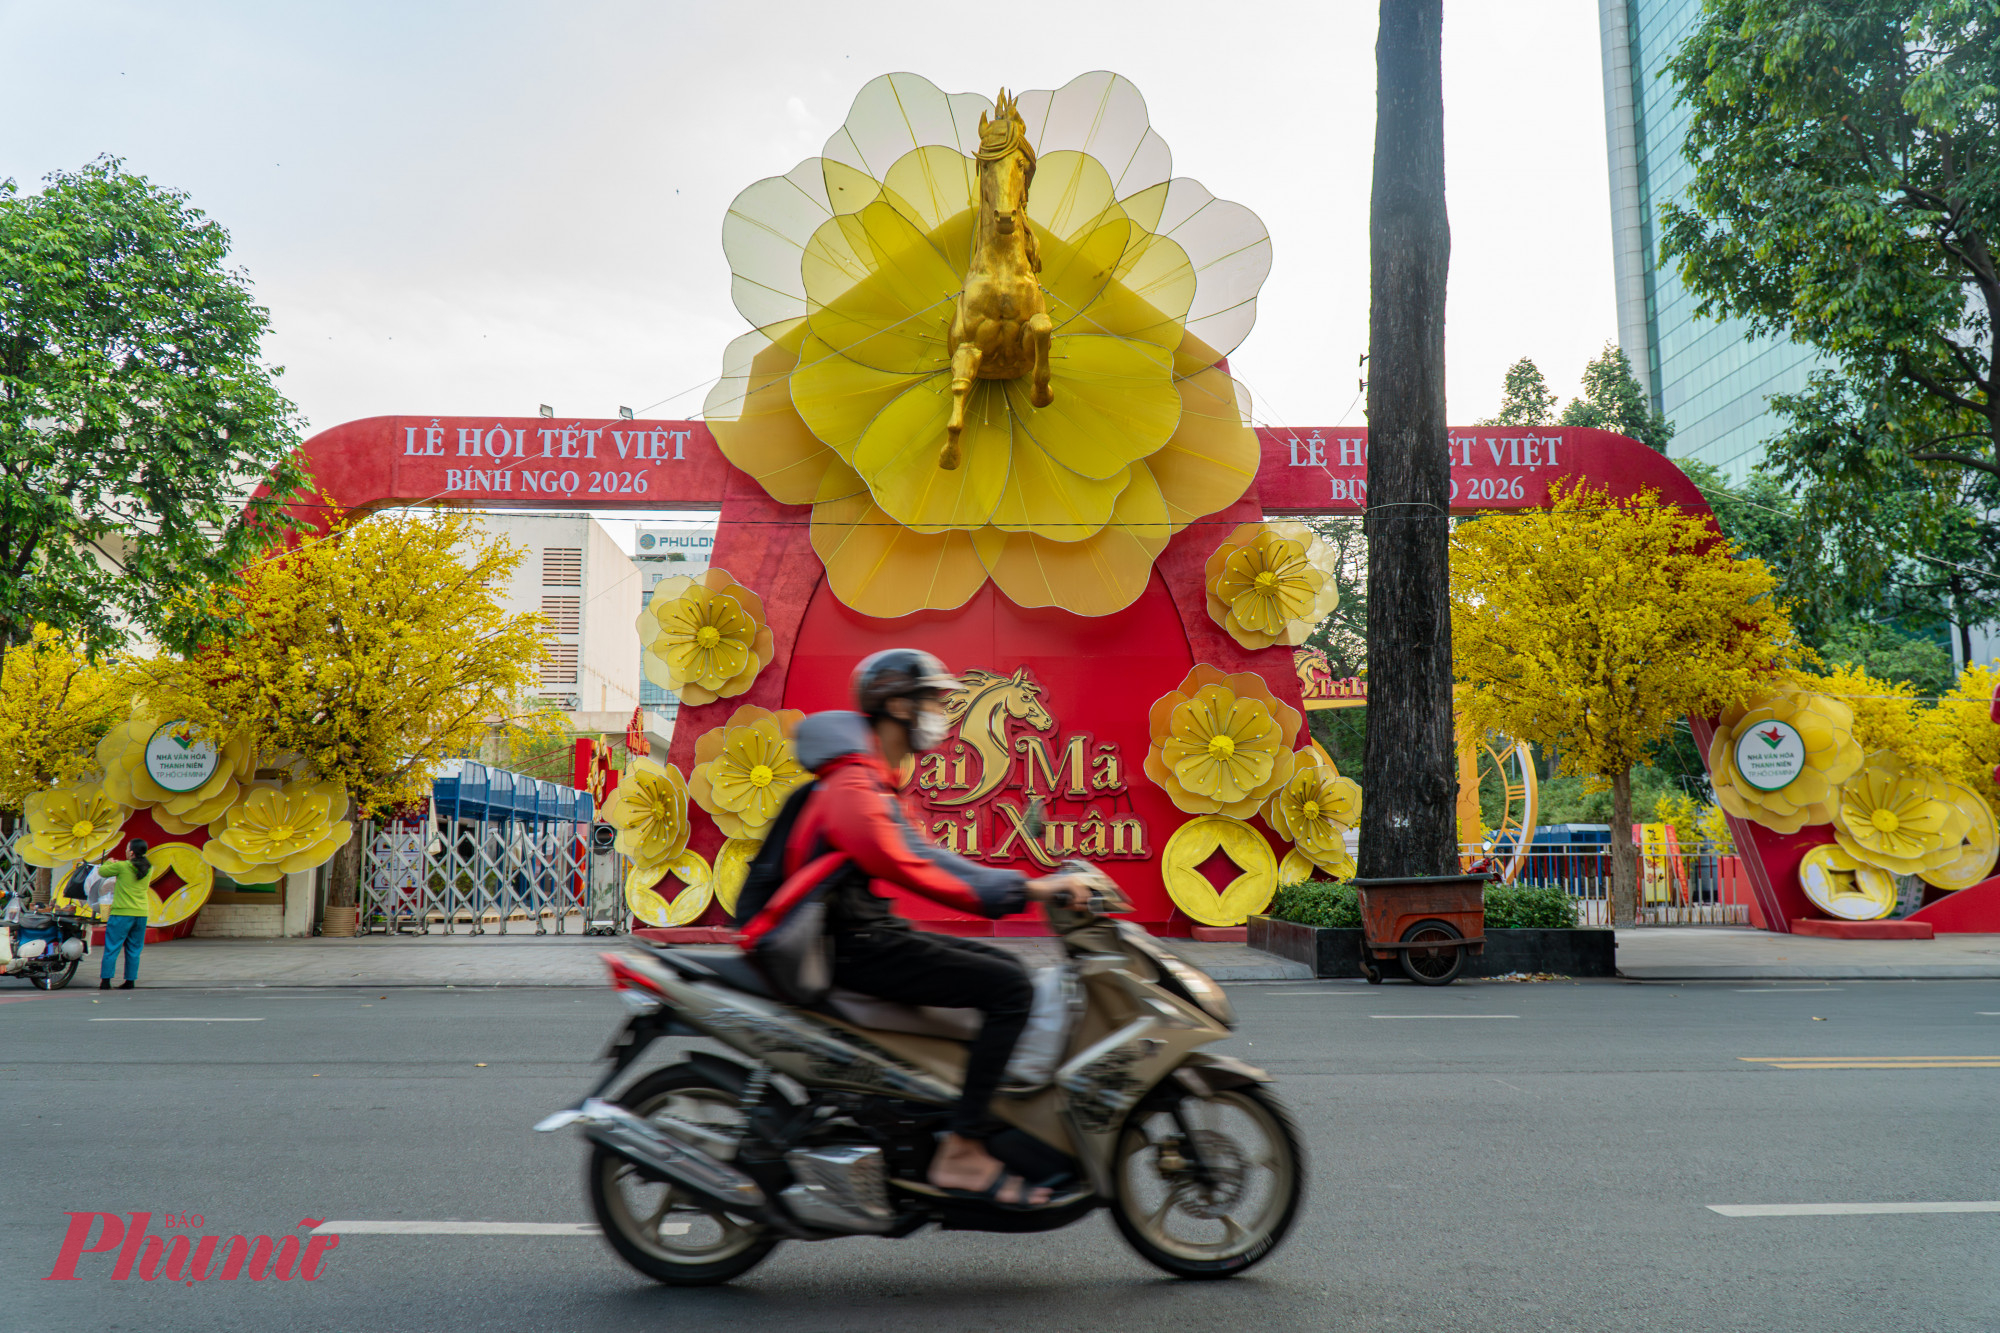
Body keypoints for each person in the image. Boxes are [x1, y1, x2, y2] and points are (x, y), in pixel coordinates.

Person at [776, 649, 1090, 1207]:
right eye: (932, 702)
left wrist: (1027, 884)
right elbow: (915, 868)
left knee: (1005, 968)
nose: (940, 716)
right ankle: (962, 1150)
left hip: (861, 934)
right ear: (898, 706)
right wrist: (1026, 891)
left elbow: (932, 856)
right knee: (1009, 988)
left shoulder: (873, 777)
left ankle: (961, 1116)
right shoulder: (853, 786)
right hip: (845, 947)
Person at [97, 839, 152, 991]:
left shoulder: (122, 866)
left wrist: (109, 862)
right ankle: (130, 981)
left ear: (132, 852)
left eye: (127, 848)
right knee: (134, 949)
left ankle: (106, 981)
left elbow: (102, 872)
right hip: (141, 913)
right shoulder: (148, 868)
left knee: (112, 947)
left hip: (121, 913)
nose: (126, 851)